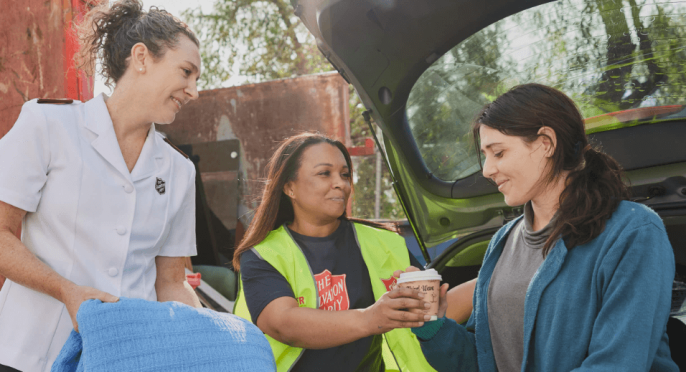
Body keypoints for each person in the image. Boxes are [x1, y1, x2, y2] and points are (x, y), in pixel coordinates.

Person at [398, 83, 679, 371]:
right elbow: (484, 361)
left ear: (546, 143)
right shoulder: (503, 242)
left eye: (498, 153)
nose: (486, 170)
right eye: (485, 155)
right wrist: (431, 324)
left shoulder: (634, 232)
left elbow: (617, 363)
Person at [0, 1, 203, 371]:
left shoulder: (179, 171)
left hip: (121, 359)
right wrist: (65, 290)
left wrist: (205, 342)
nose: (193, 90)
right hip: (27, 353)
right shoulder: (48, 124)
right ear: (141, 57)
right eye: (186, 72)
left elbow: (171, 282)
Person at [232, 132, 436, 372]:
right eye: (324, 173)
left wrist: (485, 281)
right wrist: (371, 318)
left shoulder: (383, 242)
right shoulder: (263, 254)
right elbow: (282, 323)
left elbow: (430, 310)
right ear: (290, 187)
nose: (340, 183)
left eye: (345, 174)